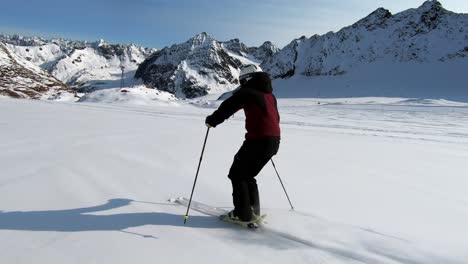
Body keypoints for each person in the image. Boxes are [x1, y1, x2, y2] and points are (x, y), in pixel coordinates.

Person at [205, 64, 281, 223]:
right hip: (273, 141)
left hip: (258, 141)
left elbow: (228, 106)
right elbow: (275, 118)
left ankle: (242, 214)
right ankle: (252, 212)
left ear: (247, 79)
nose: (241, 84)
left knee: (237, 174)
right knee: (248, 175)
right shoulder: (270, 95)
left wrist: (213, 120)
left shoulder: (248, 92)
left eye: (241, 80)